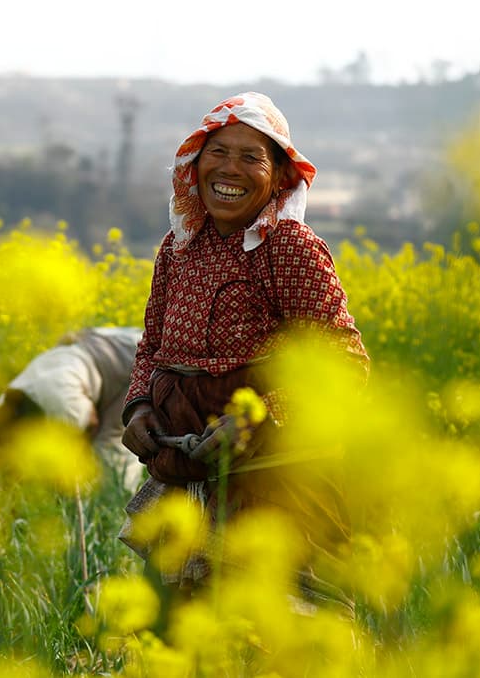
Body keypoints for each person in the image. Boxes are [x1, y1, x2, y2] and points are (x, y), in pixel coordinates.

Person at [119, 92, 369, 588]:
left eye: (250, 157)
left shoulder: (289, 247)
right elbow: (152, 347)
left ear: (278, 177)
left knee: (268, 636)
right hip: (184, 478)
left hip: (272, 480)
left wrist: (259, 416)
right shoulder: (179, 246)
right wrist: (139, 407)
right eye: (218, 152)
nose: (230, 169)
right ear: (195, 164)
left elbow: (344, 362)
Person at [0, 326, 145, 491]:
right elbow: (112, 440)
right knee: (108, 449)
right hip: (66, 387)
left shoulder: (121, 335)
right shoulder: (146, 354)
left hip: (32, 378)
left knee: (8, 460)